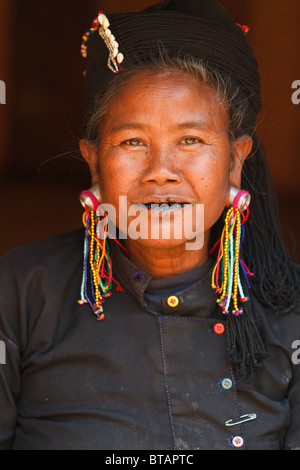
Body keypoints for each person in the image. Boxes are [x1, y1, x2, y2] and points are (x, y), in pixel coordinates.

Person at [0, 0, 299, 451]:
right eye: (133, 141)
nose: (162, 170)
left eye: (191, 140)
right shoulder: (18, 295)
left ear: (236, 161)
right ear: (95, 163)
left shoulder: (290, 316)